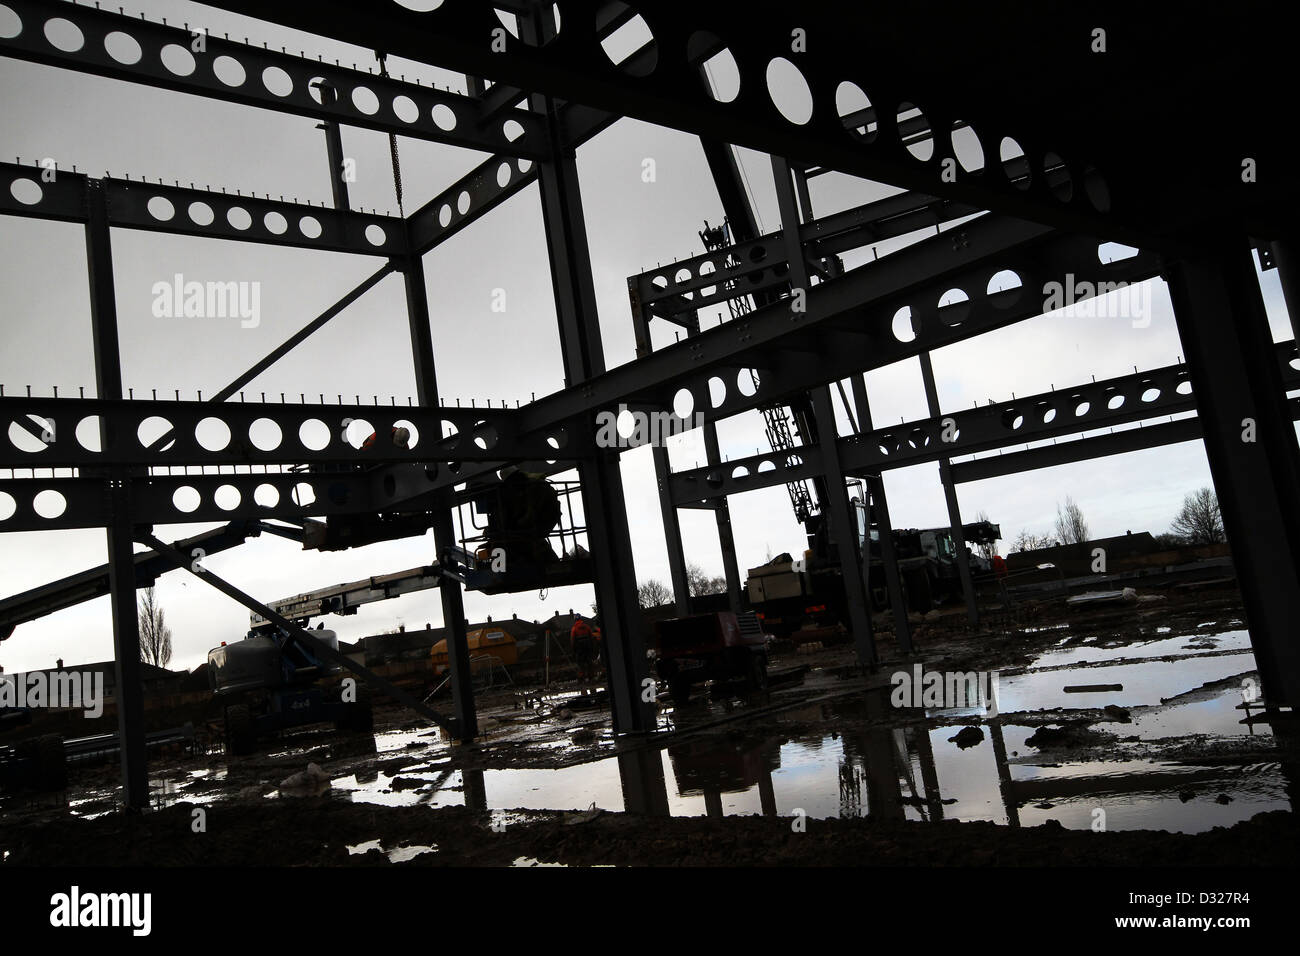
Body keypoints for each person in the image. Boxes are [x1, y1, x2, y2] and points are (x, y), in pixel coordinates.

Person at [570, 614, 596, 684]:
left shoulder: (574, 628)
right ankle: (591, 678)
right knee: (589, 662)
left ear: (575, 620)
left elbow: (572, 640)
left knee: (580, 663)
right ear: (581, 619)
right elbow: (591, 637)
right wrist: (592, 647)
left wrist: (573, 650)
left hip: (579, 649)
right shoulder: (587, 627)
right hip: (588, 647)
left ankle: (581, 679)